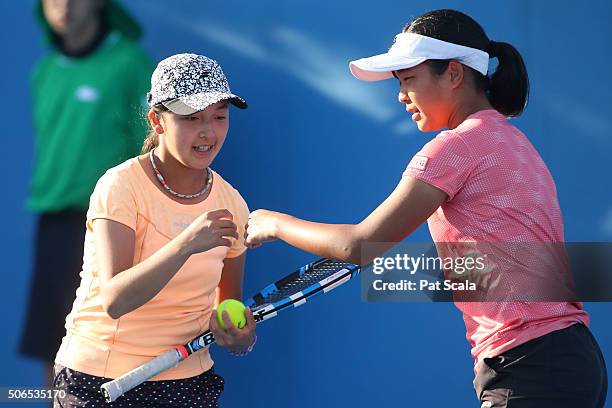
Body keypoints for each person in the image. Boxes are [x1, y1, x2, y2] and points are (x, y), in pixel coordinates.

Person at [245, 9, 607, 408]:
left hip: (528, 364)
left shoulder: (453, 149)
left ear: (453, 74)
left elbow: (359, 245)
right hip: (574, 357)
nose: (400, 96)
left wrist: (273, 223)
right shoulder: (515, 143)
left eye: (408, 80)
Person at [51, 53, 256, 407]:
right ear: (157, 121)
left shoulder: (233, 203)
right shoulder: (120, 186)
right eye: (191, 118)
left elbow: (228, 309)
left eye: (219, 117)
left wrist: (239, 338)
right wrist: (185, 244)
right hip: (99, 379)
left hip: (190, 383)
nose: (208, 131)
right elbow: (115, 300)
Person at [20, 0, 153, 387]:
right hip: (55, 227)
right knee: (54, 347)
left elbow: (152, 146)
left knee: (117, 346)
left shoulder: (130, 62)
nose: (64, 5)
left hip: (114, 225)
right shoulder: (43, 72)